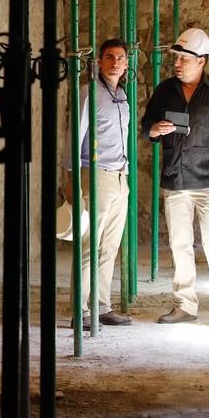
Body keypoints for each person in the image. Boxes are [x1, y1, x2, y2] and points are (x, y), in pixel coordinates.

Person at [141, 27, 209, 328]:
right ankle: (185, 305)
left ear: (202, 60)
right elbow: (147, 123)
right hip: (175, 181)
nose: (178, 63)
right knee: (180, 246)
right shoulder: (164, 90)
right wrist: (154, 130)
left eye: (185, 58)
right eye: (177, 57)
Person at [66, 37, 132, 329]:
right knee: (89, 245)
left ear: (127, 63)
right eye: (109, 57)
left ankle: (101, 306)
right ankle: (79, 311)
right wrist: (70, 178)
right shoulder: (88, 92)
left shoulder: (122, 96)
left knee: (110, 247)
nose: (115, 62)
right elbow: (73, 136)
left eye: (120, 57)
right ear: (99, 62)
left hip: (120, 177)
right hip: (96, 175)